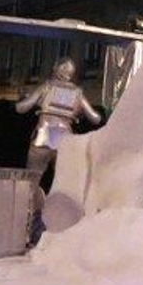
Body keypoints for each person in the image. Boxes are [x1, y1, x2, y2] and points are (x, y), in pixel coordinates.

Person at [15, 57, 101, 191]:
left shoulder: (46, 87)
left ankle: (28, 202)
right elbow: (96, 118)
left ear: (55, 69)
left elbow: (21, 108)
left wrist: (23, 98)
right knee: (64, 184)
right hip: (64, 141)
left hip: (43, 138)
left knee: (31, 181)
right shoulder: (78, 93)